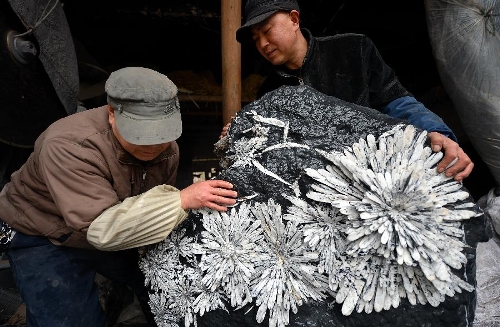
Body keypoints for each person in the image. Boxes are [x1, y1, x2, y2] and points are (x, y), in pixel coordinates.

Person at [0, 67, 238, 327]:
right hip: (44, 231)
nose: (153, 145)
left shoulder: (168, 149)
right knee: (67, 320)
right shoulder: (68, 145)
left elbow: (149, 207)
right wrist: (180, 200)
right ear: (112, 114)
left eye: (161, 134)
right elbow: (102, 228)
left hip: (120, 224)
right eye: (141, 135)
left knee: (171, 290)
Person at [221, 0, 474, 182]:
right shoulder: (269, 91)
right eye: (255, 39)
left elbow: (397, 101)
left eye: (266, 31)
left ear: (294, 19)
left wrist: (438, 133)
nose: (263, 44)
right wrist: (239, 133)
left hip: (378, 179)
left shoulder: (353, 50)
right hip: (317, 197)